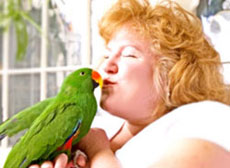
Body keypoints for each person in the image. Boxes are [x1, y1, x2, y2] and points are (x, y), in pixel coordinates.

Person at [29, 0, 230, 167]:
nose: (107, 65)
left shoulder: (207, 117)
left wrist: (98, 151)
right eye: (107, 54)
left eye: (129, 54)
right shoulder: (95, 128)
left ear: (174, 73)